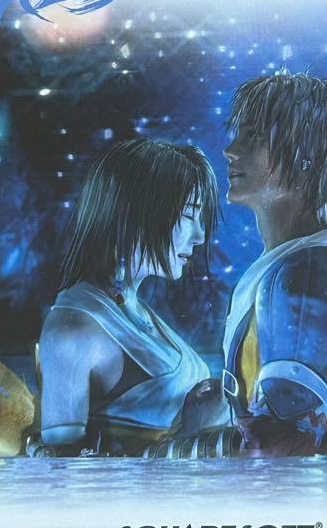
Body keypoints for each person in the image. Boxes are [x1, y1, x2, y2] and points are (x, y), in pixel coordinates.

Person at [146, 73, 327, 459]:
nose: (231, 150)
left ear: (307, 156)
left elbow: (282, 441)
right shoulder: (308, 264)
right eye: (238, 135)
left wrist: (160, 455)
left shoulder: (308, 271)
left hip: (313, 492)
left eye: (254, 136)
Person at [32, 137, 228, 456]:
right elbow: (62, 472)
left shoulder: (133, 307)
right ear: (136, 214)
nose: (200, 235)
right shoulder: (73, 330)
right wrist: (189, 431)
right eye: (188, 215)